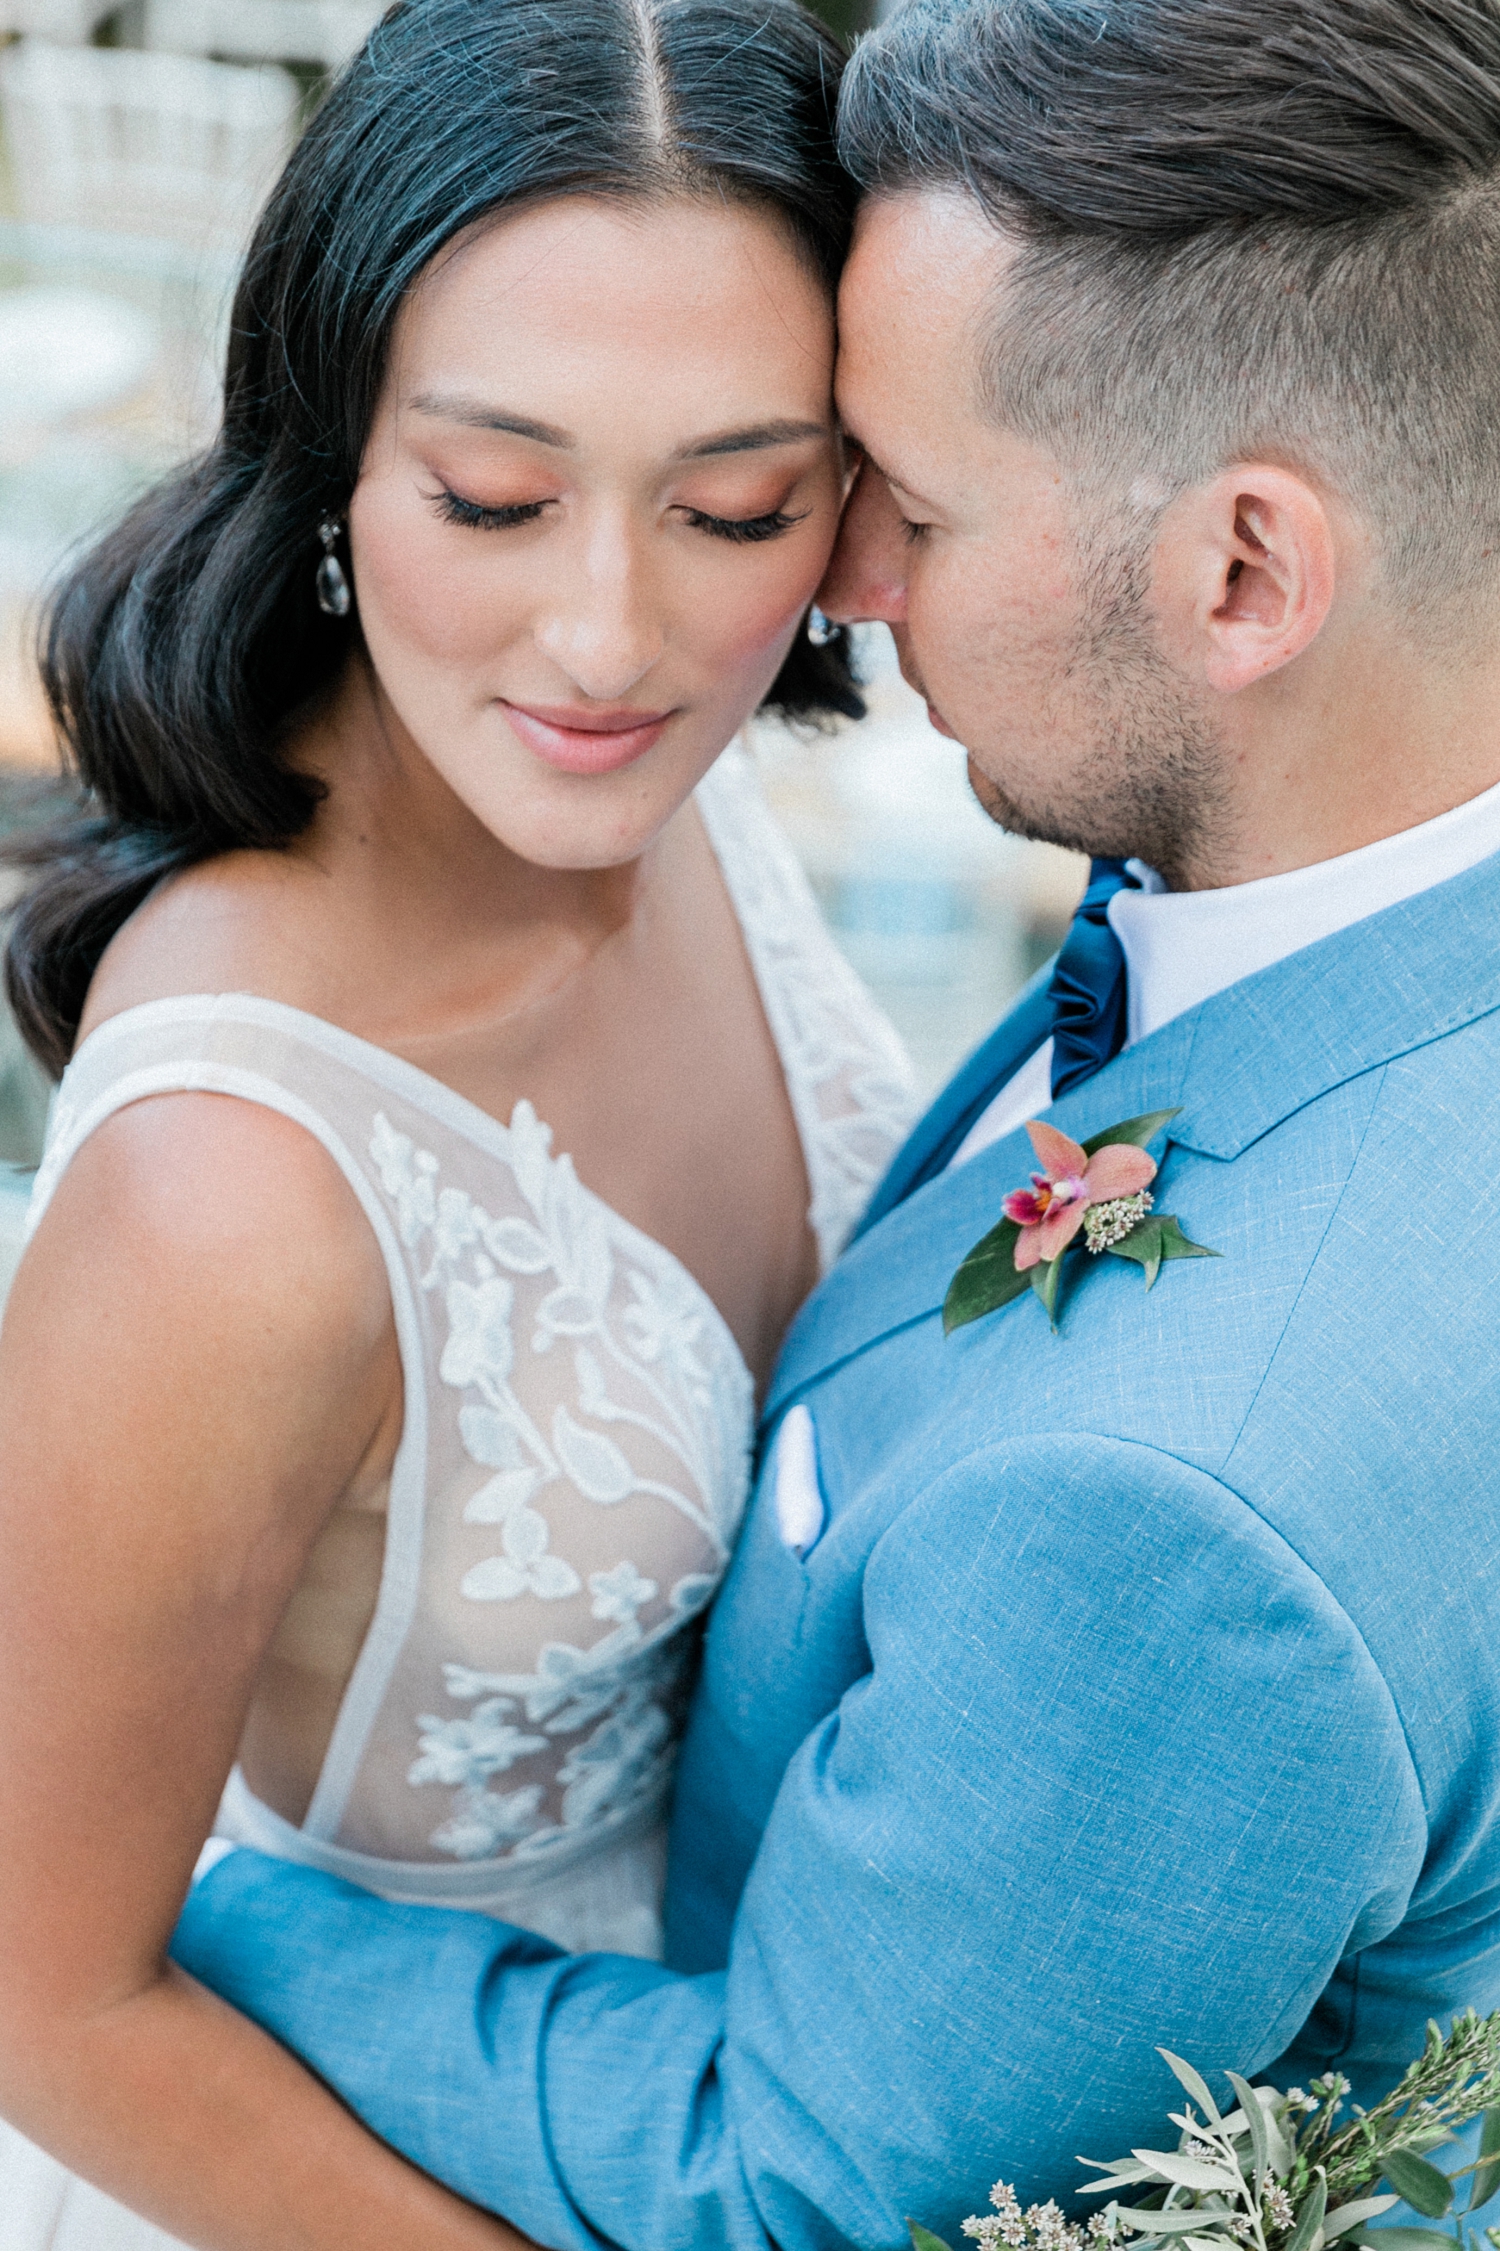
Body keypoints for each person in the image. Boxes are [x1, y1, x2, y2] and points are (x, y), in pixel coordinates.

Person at [163, 0, 1500, 2244]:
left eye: (913, 507)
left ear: (1247, 576)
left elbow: (789, 2178)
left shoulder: (1176, 1519)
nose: (843, 595)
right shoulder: (1320, 859)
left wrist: (230, 1902)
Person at [0, 2, 920, 2245]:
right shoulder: (229, 1198)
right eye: (494, 498)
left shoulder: (678, 797)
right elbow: (41, 1999)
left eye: (732, 505)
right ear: (328, 451)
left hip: (788, 2084)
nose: (609, 636)